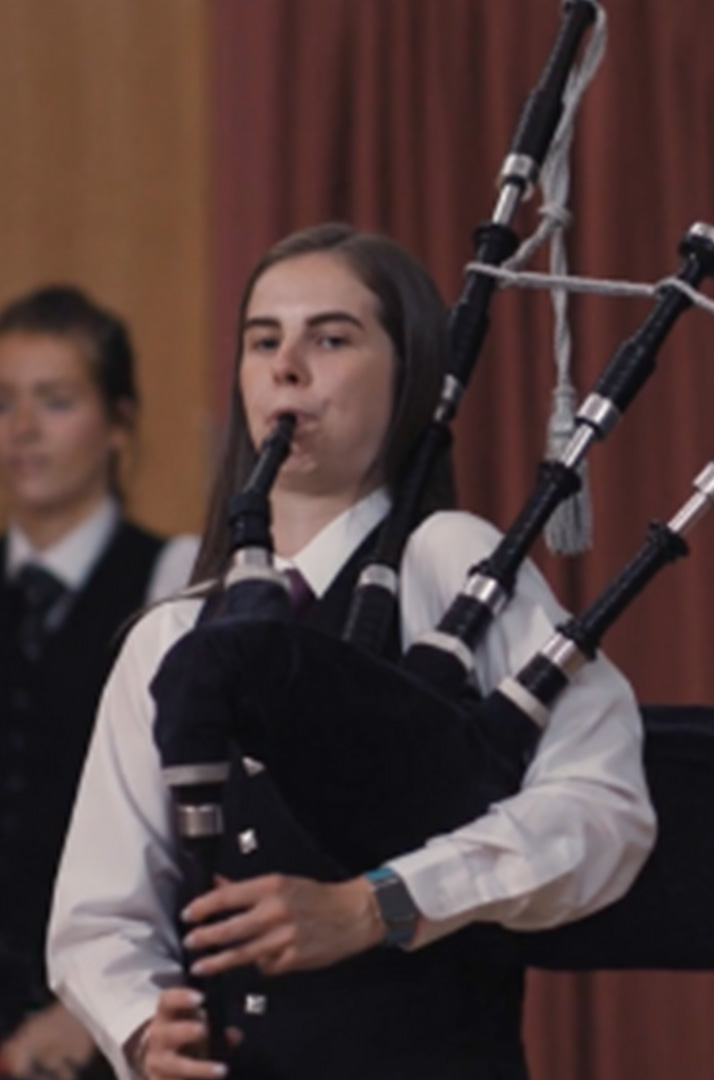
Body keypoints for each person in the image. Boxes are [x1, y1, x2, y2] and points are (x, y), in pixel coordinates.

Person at [47, 225, 655, 1080]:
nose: (286, 367)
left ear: (409, 378)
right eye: (264, 341)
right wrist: (144, 1029)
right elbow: (98, 913)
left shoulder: (453, 563)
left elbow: (603, 811)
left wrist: (380, 905)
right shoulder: (169, 634)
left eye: (329, 338)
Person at [0, 286, 198, 1080]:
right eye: (5, 401)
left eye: (54, 401)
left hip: (109, 1020)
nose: (23, 430)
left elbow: (189, 828)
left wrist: (97, 1009)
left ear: (119, 424)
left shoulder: (173, 580)